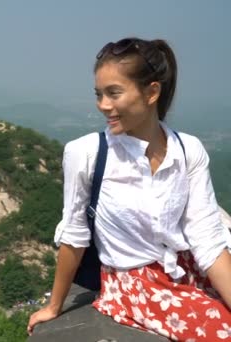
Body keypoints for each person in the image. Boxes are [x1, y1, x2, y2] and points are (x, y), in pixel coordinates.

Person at [27, 37, 231, 340]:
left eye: (113, 93)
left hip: (187, 270)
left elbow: (207, 238)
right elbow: (74, 235)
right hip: (134, 285)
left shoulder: (188, 149)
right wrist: (54, 306)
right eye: (99, 94)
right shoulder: (86, 154)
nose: (103, 105)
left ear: (151, 92)